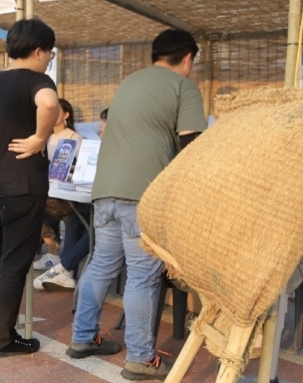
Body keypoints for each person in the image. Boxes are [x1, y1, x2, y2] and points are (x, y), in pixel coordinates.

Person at [67, 29, 207, 381]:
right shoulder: (183, 87)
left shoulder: (129, 82)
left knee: (101, 265)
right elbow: (192, 145)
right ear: (188, 58)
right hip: (142, 195)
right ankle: (141, 359)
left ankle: (82, 339)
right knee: (143, 278)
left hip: (105, 191)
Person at [0, 18, 60, 357]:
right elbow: (50, 104)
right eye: (49, 52)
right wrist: (40, 137)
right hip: (23, 185)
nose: (49, 58)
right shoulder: (38, 80)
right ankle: (4, 339)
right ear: (38, 51)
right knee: (13, 265)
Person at [34, 98, 84, 277]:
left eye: (57, 111)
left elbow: (80, 168)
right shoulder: (45, 138)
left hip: (67, 195)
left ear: (66, 115)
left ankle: (54, 255)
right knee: (31, 206)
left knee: (35, 205)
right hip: (49, 189)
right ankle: (52, 253)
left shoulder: (74, 138)